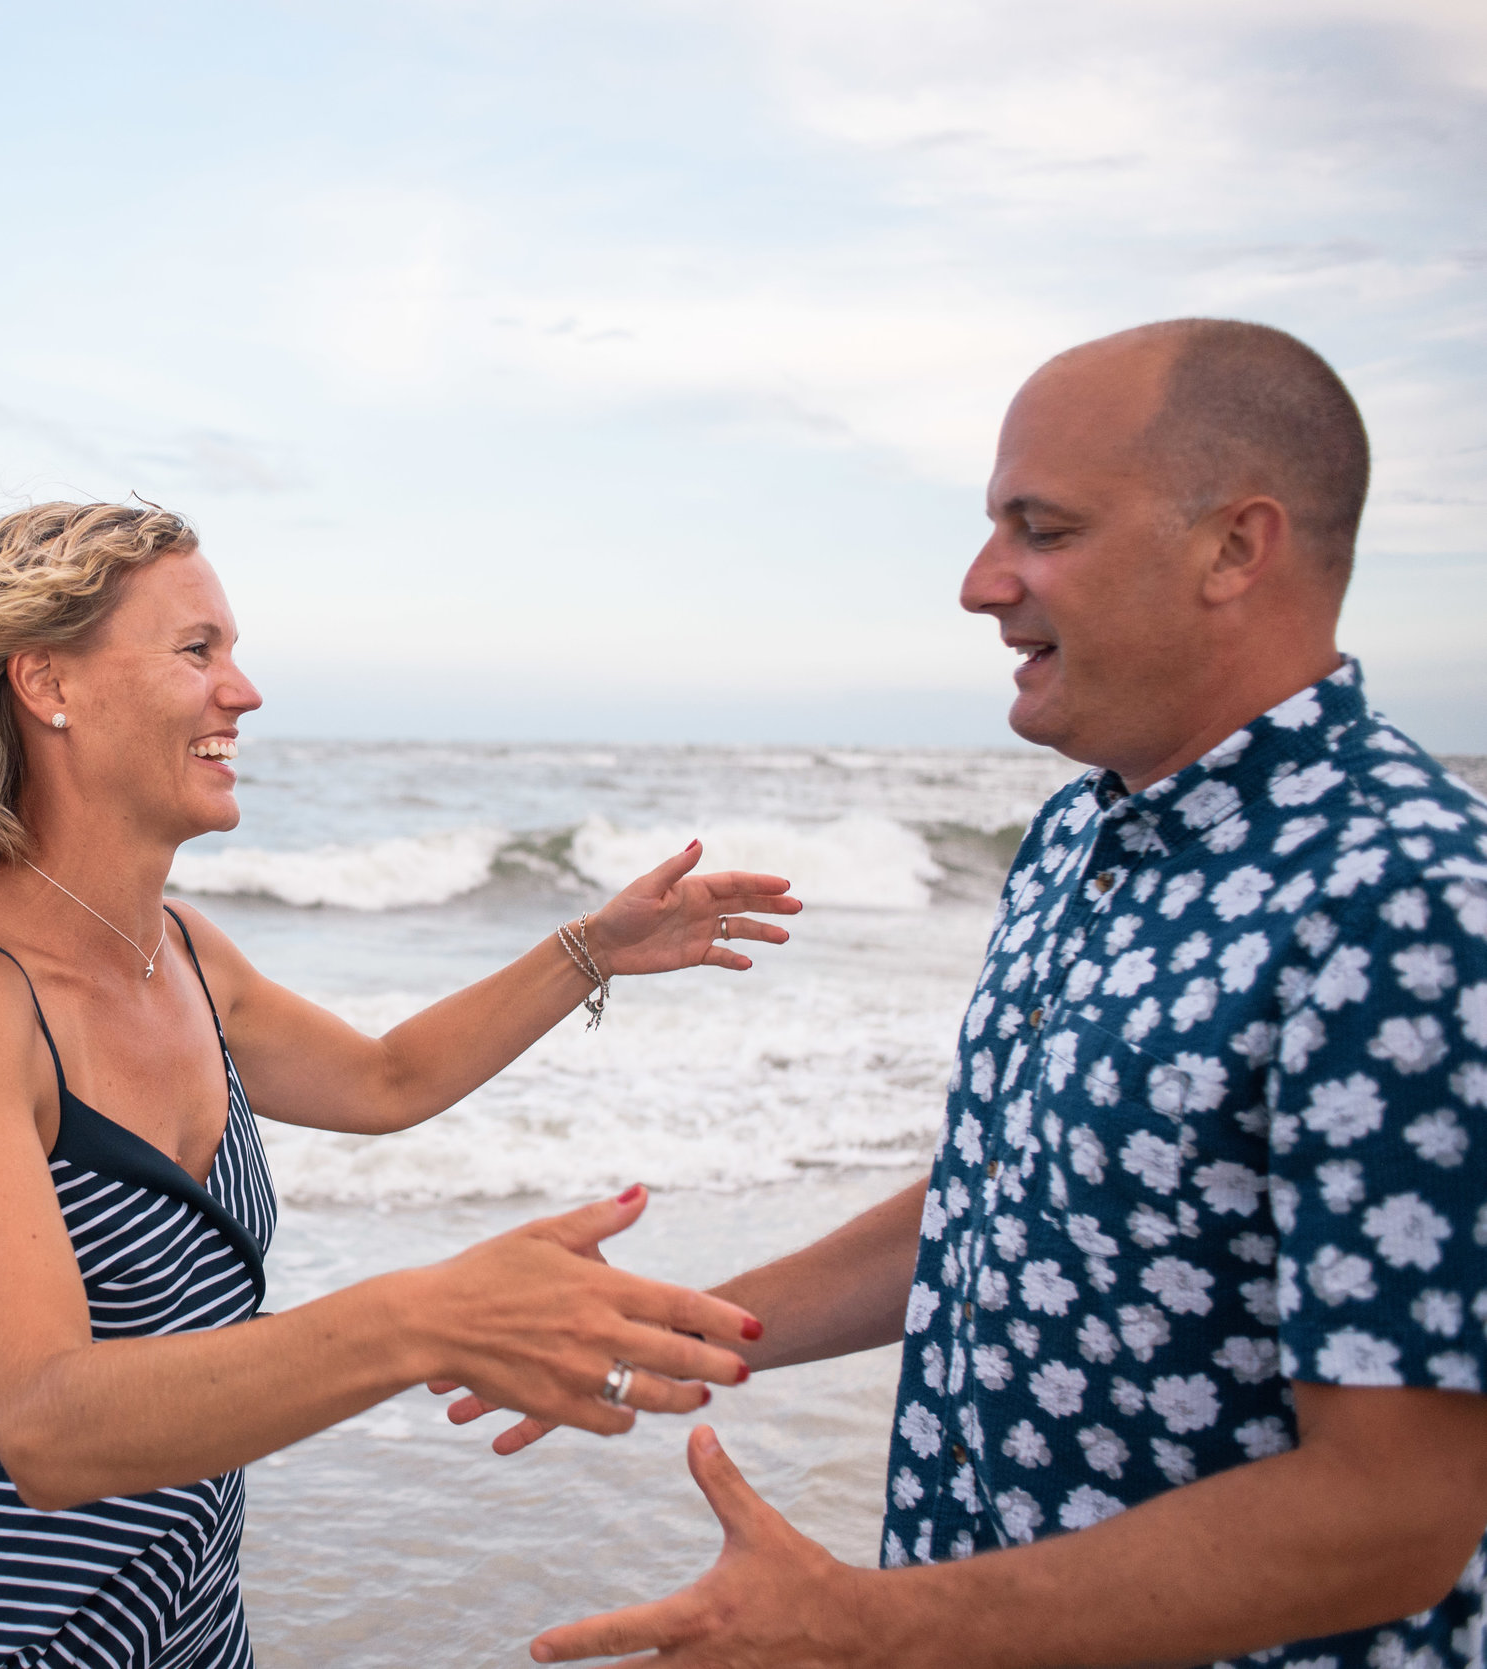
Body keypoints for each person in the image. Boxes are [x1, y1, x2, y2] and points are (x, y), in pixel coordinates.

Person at [483, 320, 1487, 1666]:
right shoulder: (1078, 834)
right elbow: (1013, 1193)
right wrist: (683, 1331)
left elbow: (1396, 1509)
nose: (979, 582)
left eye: (1043, 527)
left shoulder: (1410, 894)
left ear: (1236, 548)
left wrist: (870, 1630)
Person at [0, 501, 803, 1669]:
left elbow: (388, 1077)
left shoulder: (183, 948)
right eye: (198, 650)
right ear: (47, 684)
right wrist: (419, 1317)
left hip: (179, 1609)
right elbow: (43, 1424)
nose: (243, 691)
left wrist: (587, 949)